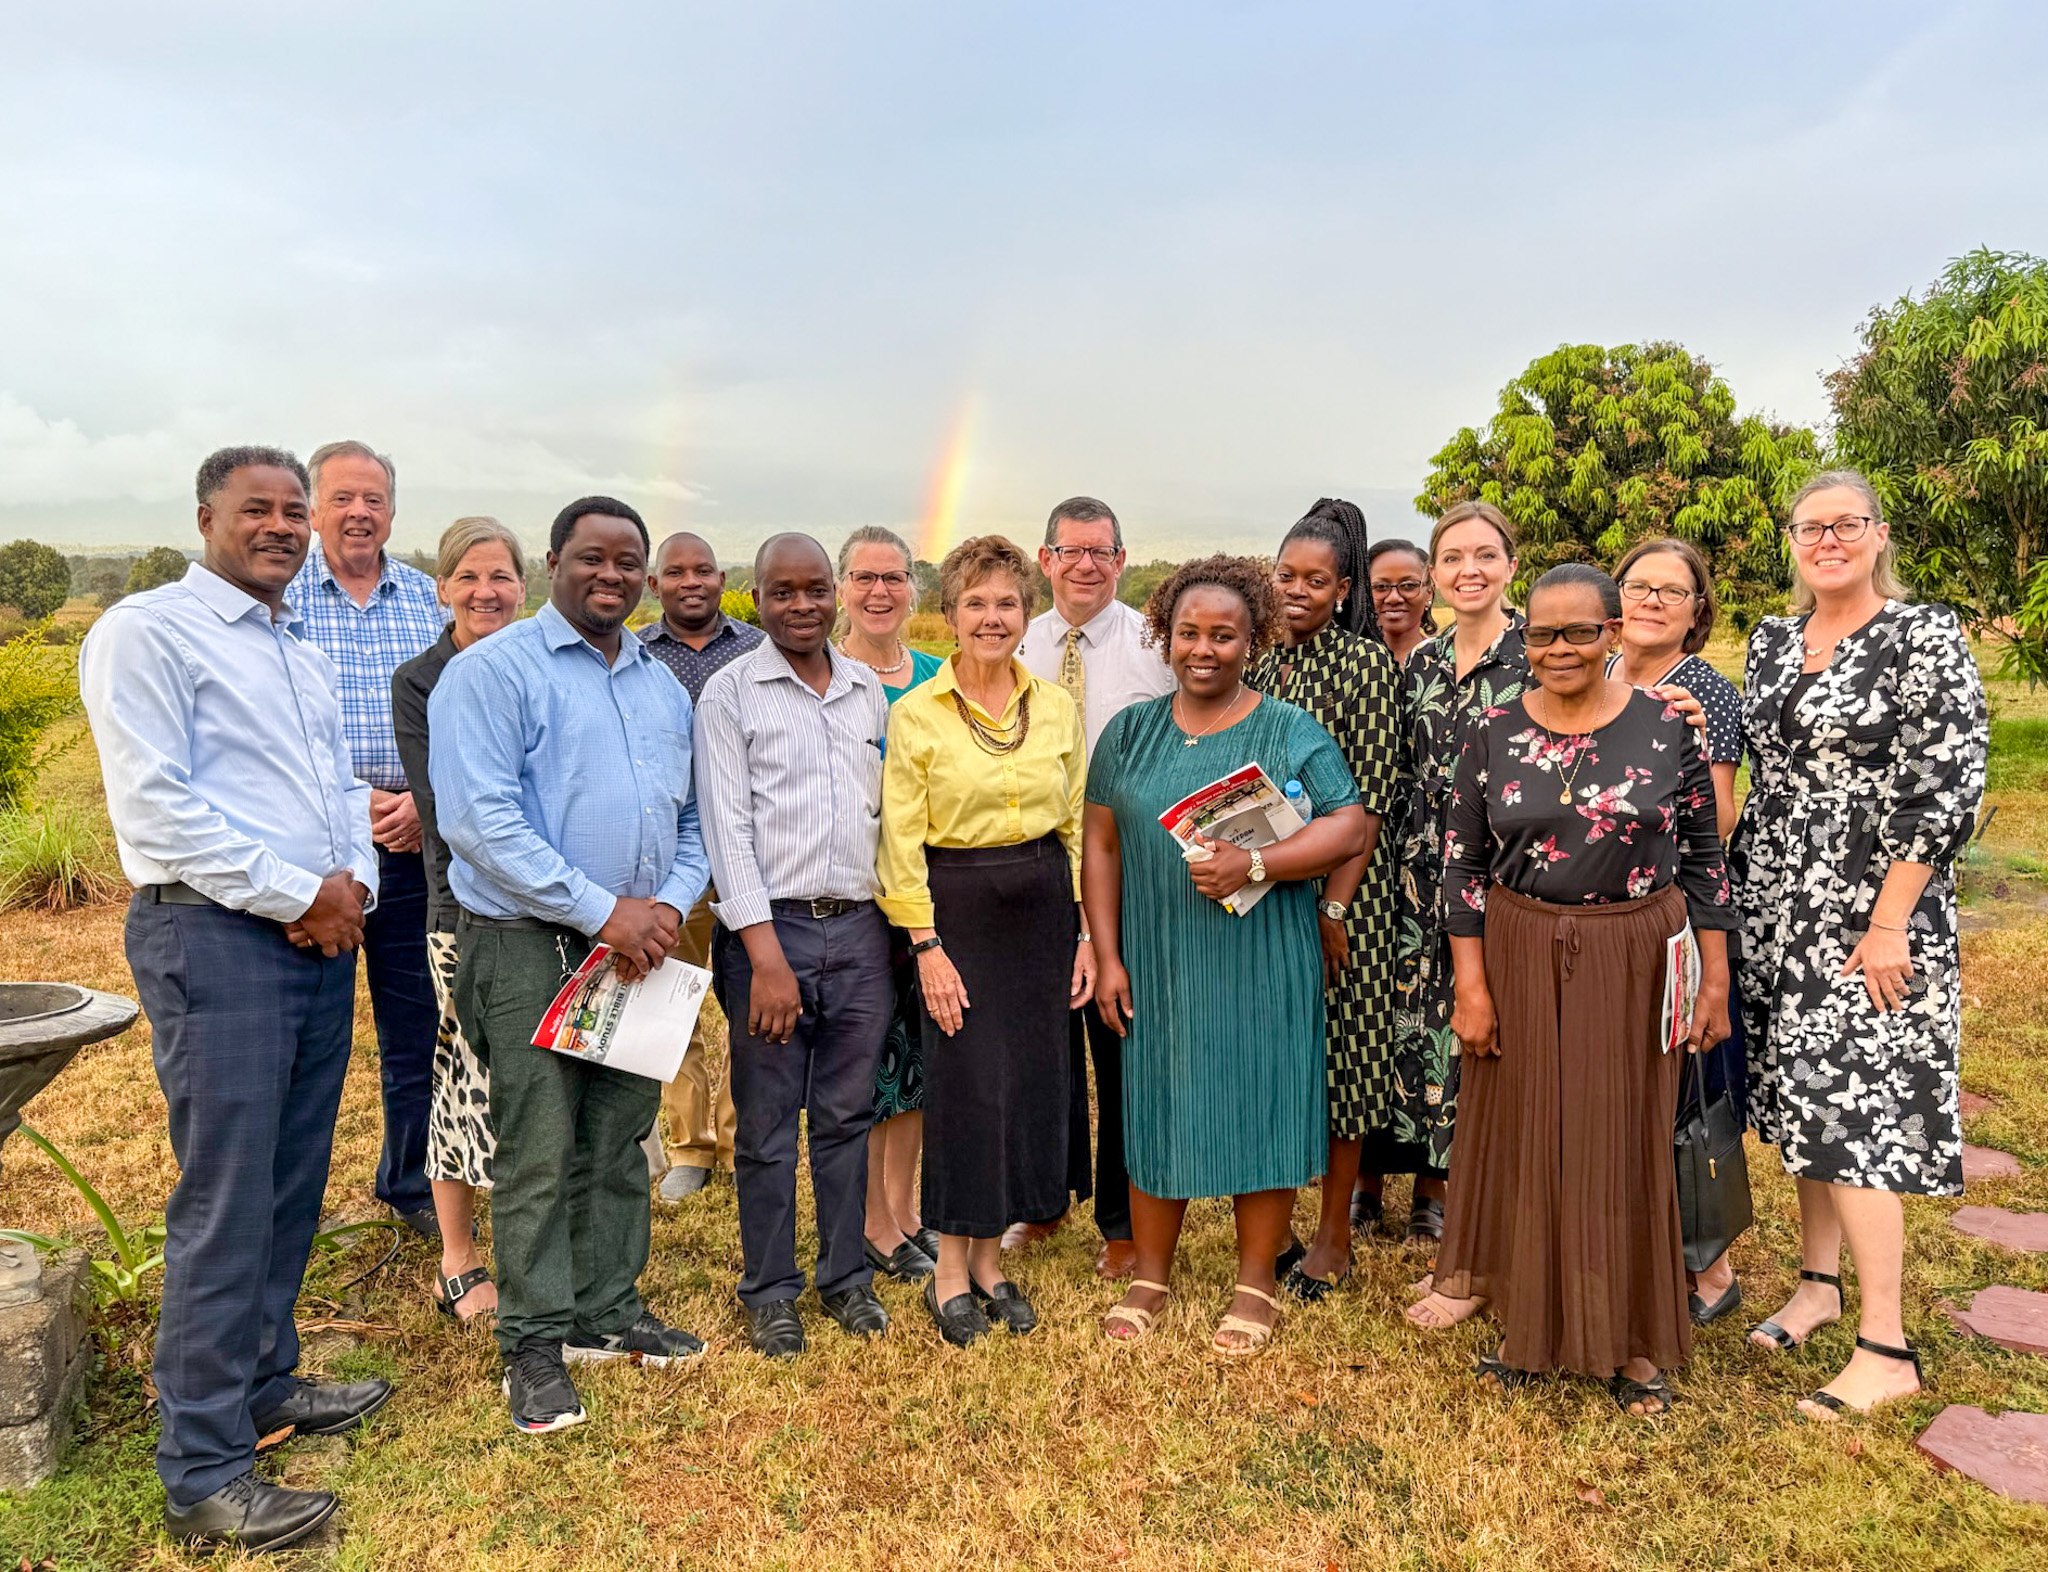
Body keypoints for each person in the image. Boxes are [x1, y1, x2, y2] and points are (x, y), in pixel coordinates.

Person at [80, 446, 390, 1553]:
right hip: (216, 942)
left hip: (316, 943)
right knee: (225, 1199)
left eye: (293, 511)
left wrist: (351, 887)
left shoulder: (296, 649)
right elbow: (157, 811)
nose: (281, 527)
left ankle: (263, 1382)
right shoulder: (148, 633)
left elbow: (340, 790)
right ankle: (203, 1469)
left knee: (289, 1182)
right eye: (256, 509)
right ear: (205, 515)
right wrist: (299, 894)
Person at [430, 495, 711, 1435]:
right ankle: (535, 1342)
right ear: (554, 564)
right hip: (528, 944)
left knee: (619, 1136)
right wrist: (604, 913)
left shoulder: (660, 686)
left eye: (627, 561)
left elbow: (691, 819)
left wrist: (666, 906)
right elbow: (479, 821)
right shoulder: (493, 672)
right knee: (541, 1147)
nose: (611, 574)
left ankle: (606, 1308)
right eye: (592, 557)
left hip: (638, 951)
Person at [1432, 564, 1736, 1415]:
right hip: (1520, 948)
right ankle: (1530, 1330)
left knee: (1621, 1137)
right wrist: (1471, 988)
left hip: (1633, 953)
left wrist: (1713, 978)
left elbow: (1705, 860)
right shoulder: (1491, 730)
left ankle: (1631, 1343)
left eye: (1578, 631)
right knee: (1527, 1134)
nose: (1558, 648)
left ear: (1612, 633)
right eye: (1541, 633)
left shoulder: (1667, 726)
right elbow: (1461, 868)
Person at [1731, 470, 1987, 1418]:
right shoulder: (1770, 640)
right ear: (1792, 543)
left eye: (1847, 525)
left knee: (1858, 1109)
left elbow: (1946, 784)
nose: (1827, 541)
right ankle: (1817, 1285)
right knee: (1802, 1096)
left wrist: (1888, 923)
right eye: (1810, 528)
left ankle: (1887, 1346)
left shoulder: (1922, 635)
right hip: (1775, 900)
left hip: (1869, 906)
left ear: (1880, 535)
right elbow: (1762, 763)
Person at [1087, 556, 1369, 1355]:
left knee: (1261, 1097)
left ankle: (1254, 1284)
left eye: (1223, 635)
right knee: (1156, 1097)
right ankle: (1151, 1275)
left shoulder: (1288, 728)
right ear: (1165, 636)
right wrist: (1107, 956)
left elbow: (1349, 826)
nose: (1203, 650)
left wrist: (1256, 865)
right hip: (1159, 954)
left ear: (1254, 641)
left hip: (1262, 952)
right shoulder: (1129, 732)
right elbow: (1100, 846)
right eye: (1189, 633)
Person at [878, 535, 1092, 1345]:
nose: (991, 618)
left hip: (1043, 910)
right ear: (949, 613)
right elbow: (900, 840)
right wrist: (926, 946)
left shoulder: (1057, 707)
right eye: (975, 603)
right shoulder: (916, 713)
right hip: (957, 912)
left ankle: (992, 1263)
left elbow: (1076, 824)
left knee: (1028, 1083)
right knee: (967, 1086)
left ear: (1027, 613)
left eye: (1007, 603)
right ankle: (949, 1272)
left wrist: (1083, 933)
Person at [695, 533, 895, 1356]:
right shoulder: (730, 694)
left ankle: (845, 1277)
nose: (803, 605)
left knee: (847, 1114)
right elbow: (726, 829)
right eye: (783, 592)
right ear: (757, 597)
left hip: (861, 931)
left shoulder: (866, 691)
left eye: (816, 589)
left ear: (835, 594)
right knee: (769, 1125)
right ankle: (771, 1289)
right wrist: (765, 956)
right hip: (769, 935)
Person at [284, 440, 446, 1238]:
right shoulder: (280, 600)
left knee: (417, 1026)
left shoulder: (428, 600)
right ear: (314, 510)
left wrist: (424, 798)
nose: (359, 513)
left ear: (392, 511)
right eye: (342, 498)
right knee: (307, 1038)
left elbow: (467, 714)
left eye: (373, 499)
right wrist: (354, 804)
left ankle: (411, 1183)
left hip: (413, 847)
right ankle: (290, 1202)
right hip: (317, 858)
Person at [1246, 499, 1403, 1297]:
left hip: (1346, 892)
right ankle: (1273, 1226)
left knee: (1346, 1055)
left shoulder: (1366, 666)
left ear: (1344, 590)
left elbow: (1367, 806)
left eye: (1316, 580)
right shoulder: (1256, 662)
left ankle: (1334, 1233)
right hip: (1263, 884)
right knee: (1275, 1053)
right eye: (1286, 576)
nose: (1297, 591)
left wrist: (1335, 909)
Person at [1016, 496, 1175, 1280]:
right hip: (1036, 870)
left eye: (1100, 552)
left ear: (1121, 559)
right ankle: (1043, 1199)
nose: (1085, 565)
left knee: (1118, 1049)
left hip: (1129, 871)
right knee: (1040, 1051)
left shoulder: (1157, 646)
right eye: (1070, 551)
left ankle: (1121, 1221)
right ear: (1045, 559)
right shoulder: (1015, 641)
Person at [390, 516, 528, 1323]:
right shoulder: (422, 681)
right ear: (442, 587)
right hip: (465, 906)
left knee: (537, 1080)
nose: (485, 591)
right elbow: (447, 808)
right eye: (469, 577)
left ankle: (541, 1239)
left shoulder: (543, 664)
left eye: (500, 576)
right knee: (466, 1073)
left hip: (554, 905)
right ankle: (459, 1257)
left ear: (524, 585)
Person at [1608, 534, 1746, 1325]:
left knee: (1679, 1089)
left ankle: (1710, 1268)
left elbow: (1717, 821)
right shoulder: (1596, 669)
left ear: (1697, 612)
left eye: (1672, 591)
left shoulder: (1704, 693)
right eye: (1639, 585)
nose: (1652, 600)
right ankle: (1636, 1249)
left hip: (1677, 910)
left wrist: (1684, 744)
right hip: (1601, 910)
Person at [1397, 502, 1528, 1332]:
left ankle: (1492, 1259)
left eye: (1484, 554)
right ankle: (1471, 1253)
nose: (1467, 570)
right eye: (1452, 557)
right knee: (1447, 1071)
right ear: (1435, 573)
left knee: (1504, 1065)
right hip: (1427, 892)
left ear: (1511, 564)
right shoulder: (1422, 662)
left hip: (1510, 886)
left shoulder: (1540, 653)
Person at [637, 530, 763, 1203]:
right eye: (676, 572)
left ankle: (743, 1141)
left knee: (749, 1003)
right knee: (672, 999)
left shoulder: (759, 649)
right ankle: (689, 1145)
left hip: (750, 849)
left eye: (704, 570)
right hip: (672, 856)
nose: (692, 581)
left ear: (722, 579)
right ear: (654, 585)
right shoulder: (634, 654)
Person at [835, 525, 946, 1281]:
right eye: (864, 578)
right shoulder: (825, 675)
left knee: (919, 1064)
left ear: (913, 586)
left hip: (934, 894)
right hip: (858, 897)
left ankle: (906, 1212)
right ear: (842, 587)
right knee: (875, 1064)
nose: (880, 592)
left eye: (894, 577)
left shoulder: (939, 676)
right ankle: (873, 1221)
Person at [1367, 538, 1437, 666]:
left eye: (1408, 586)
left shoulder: (1451, 662)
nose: (1394, 598)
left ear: (1429, 593)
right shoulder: (1346, 663)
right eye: (1381, 587)